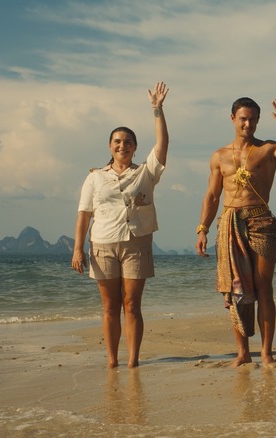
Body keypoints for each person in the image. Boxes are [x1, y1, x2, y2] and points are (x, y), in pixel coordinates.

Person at [195, 96, 276, 368]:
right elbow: (212, 196)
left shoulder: (268, 149)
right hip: (229, 224)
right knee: (235, 290)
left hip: (261, 222)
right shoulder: (219, 156)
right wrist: (202, 229)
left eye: (253, 119)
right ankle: (242, 353)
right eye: (243, 118)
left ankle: (266, 353)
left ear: (258, 121)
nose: (248, 124)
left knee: (263, 289)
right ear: (233, 119)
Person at [71, 82, 170, 369]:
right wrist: (78, 249)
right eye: (117, 141)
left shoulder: (146, 173)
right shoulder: (95, 177)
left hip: (136, 243)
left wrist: (157, 109)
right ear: (110, 146)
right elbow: (84, 214)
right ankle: (112, 361)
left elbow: (163, 144)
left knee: (132, 304)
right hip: (102, 244)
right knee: (110, 306)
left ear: (135, 147)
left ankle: (133, 361)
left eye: (127, 142)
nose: (122, 145)